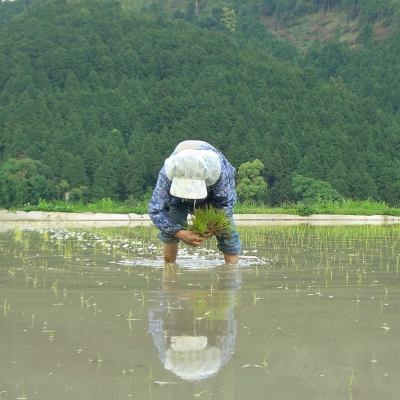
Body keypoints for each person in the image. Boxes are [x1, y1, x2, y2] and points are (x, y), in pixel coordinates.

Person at [148, 140, 242, 264]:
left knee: (228, 233)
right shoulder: (168, 172)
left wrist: (213, 228)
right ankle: (169, 272)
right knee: (169, 228)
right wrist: (179, 233)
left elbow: (225, 204)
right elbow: (156, 210)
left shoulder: (220, 171)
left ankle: (232, 274)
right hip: (178, 199)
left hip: (211, 196)